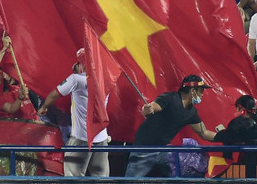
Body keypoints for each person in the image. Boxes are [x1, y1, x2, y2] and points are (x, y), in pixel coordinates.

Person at [125, 75, 216, 177]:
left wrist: (224, 136)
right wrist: (147, 110)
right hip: (144, 148)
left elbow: (204, 133)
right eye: (200, 91)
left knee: (180, 172)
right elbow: (152, 107)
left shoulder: (191, 112)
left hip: (164, 150)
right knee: (131, 180)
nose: (202, 94)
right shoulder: (169, 98)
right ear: (192, 91)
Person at [38, 48, 109, 177]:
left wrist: (44, 107)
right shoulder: (106, 79)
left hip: (81, 137)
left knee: (73, 176)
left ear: (82, 64)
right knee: (101, 178)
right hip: (101, 137)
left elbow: (55, 94)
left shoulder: (76, 79)